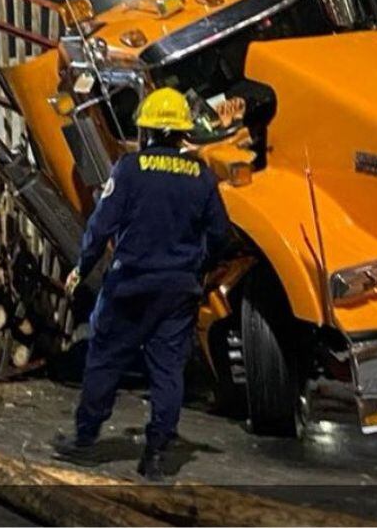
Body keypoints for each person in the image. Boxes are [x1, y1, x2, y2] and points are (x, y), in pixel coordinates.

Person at [54, 87, 230, 480]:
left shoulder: (130, 169)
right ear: (182, 132)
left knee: (105, 360)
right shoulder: (202, 176)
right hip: (178, 290)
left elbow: (101, 226)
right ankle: (155, 455)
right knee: (168, 371)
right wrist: (199, 269)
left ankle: (85, 440)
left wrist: (82, 267)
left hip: (130, 286)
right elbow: (221, 235)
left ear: (147, 130)